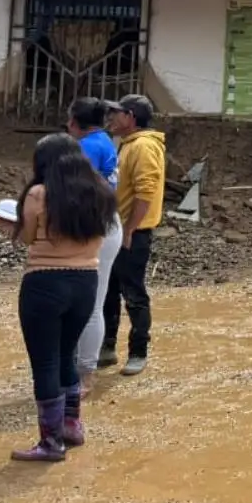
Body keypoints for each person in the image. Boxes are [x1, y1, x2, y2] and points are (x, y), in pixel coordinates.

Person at [8, 134, 116, 460]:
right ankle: (71, 425)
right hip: (86, 281)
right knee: (66, 354)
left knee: (45, 363)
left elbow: (28, 237)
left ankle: (50, 443)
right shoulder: (101, 193)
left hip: (44, 282)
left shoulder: (39, 194)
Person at [102, 94, 164, 377]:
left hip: (133, 233)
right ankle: (108, 346)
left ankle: (139, 350)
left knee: (134, 293)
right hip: (120, 230)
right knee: (109, 290)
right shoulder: (128, 145)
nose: (111, 118)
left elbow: (145, 192)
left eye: (116, 113)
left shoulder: (143, 147)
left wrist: (129, 230)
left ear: (131, 117)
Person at [65, 97, 123, 390]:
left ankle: (84, 372)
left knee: (88, 305)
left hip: (95, 227)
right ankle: (80, 368)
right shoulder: (104, 141)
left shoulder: (86, 148)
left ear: (74, 122)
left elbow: (74, 193)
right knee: (91, 302)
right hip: (107, 223)